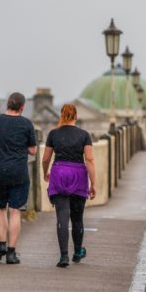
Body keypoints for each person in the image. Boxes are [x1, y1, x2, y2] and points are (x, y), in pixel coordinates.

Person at [0, 92, 37, 264]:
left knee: (0, 208)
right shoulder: (26, 124)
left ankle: (1, 245)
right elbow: (33, 150)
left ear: (8, 104)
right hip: (18, 173)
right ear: (22, 107)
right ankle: (12, 253)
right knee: (15, 211)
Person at [42, 104, 96, 268]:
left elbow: (45, 158)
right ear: (76, 117)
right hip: (78, 175)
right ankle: (78, 252)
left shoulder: (53, 134)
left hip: (59, 174)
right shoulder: (84, 135)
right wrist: (93, 183)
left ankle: (64, 257)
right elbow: (90, 160)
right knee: (77, 218)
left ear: (62, 115)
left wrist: (46, 173)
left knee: (62, 217)